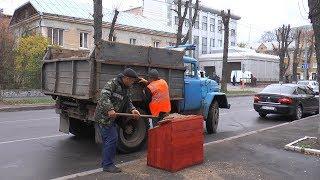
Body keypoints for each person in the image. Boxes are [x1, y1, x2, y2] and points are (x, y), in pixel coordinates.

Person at [94, 68, 141, 173]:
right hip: (104, 117)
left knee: (109, 140)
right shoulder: (113, 83)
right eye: (132, 80)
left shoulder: (126, 87)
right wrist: (110, 109)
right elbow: (103, 96)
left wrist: (133, 109)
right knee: (112, 139)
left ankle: (106, 163)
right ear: (126, 78)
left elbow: (128, 101)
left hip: (113, 118)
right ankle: (108, 165)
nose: (133, 83)